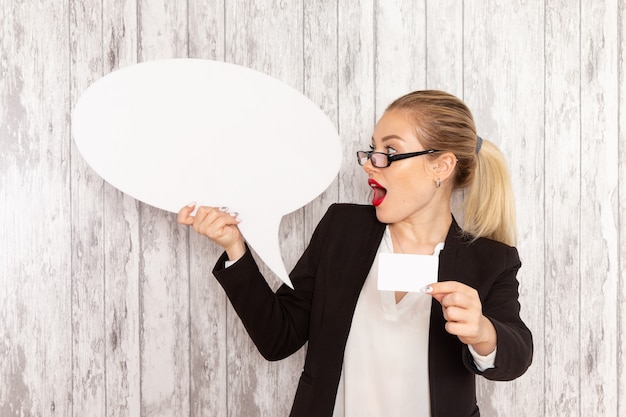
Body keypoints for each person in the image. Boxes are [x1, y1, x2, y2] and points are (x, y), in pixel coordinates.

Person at [178, 90, 533, 417]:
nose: (369, 163)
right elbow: (278, 338)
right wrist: (234, 248)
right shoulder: (342, 230)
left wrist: (484, 333)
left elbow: (516, 354)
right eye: (371, 150)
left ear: (440, 166)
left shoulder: (490, 259)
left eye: (390, 153)